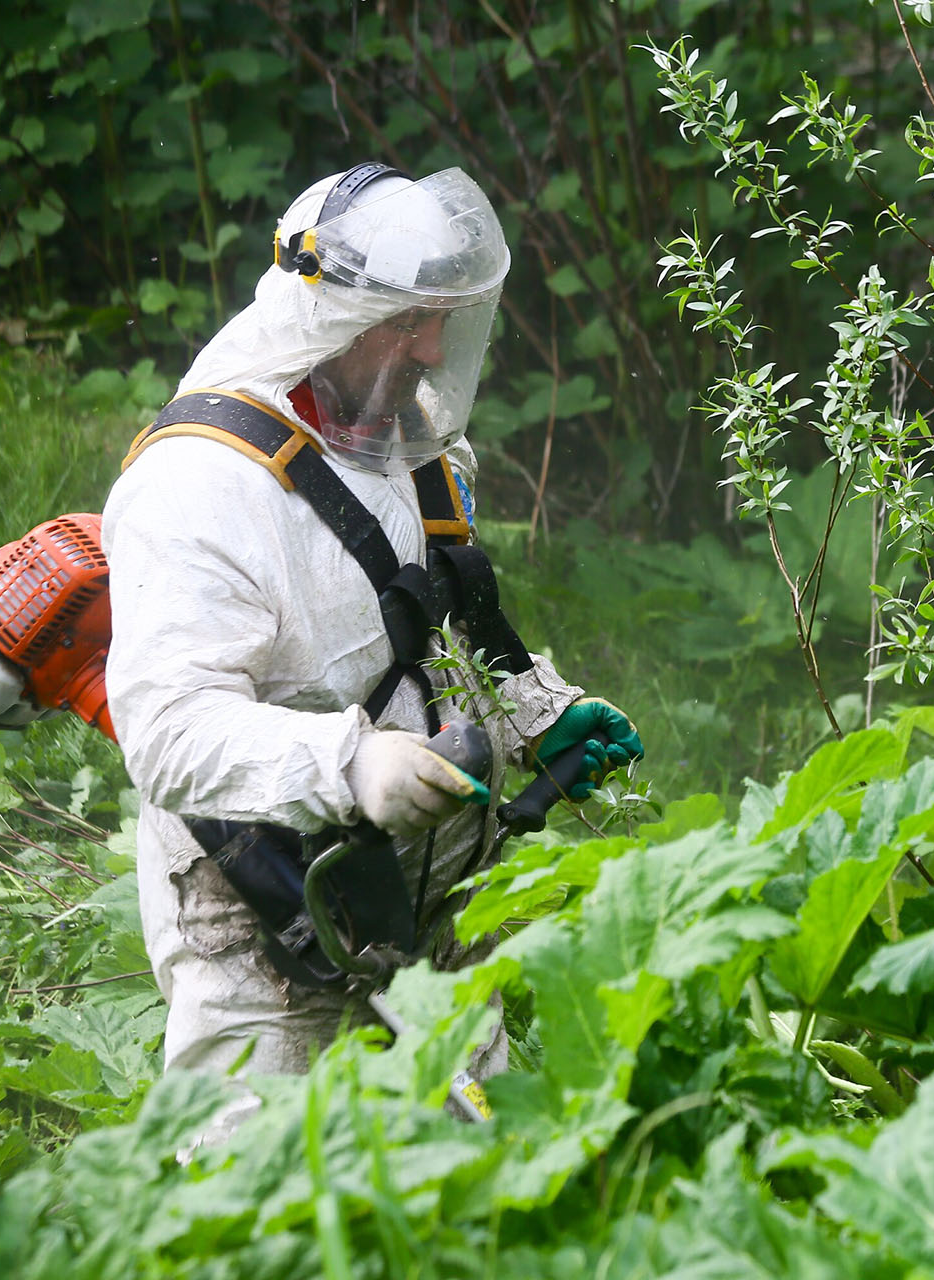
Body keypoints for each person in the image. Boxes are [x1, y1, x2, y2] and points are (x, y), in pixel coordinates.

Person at [101, 164, 642, 1079]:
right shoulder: (199, 483)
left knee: (478, 1200)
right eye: (404, 319)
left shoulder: (410, 438)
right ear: (327, 314)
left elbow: (429, 624)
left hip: (434, 914)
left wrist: (533, 710)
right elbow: (166, 733)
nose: (431, 349)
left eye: (442, 319)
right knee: (262, 1209)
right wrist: (349, 765)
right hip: (269, 922)